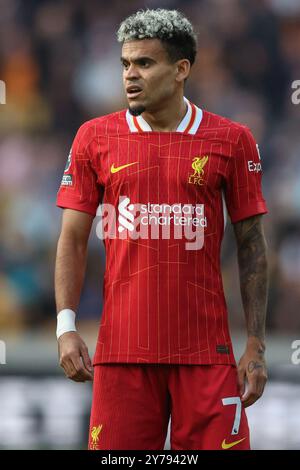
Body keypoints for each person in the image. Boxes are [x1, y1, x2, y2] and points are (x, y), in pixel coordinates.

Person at [55, 8, 268, 450]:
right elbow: (73, 238)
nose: (130, 75)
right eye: (125, 64)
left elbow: (251, 245)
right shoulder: (94, 138)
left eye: (144, 63)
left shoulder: (231, 140)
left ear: (181, 70)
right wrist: (66, 326)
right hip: (122, 354)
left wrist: (257, 343)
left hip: (206, 354)